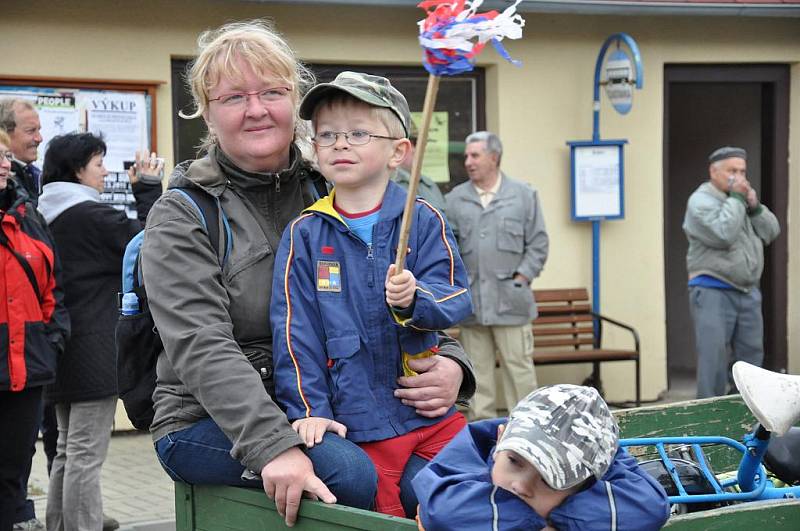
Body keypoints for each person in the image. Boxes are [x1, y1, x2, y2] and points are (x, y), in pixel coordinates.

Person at [139, 20, 476, 527]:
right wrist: (272, 445)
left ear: (293, 101)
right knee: (350, 475)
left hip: (336, 400)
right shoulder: (185, 213)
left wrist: (452, 366)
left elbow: (406, 290)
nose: (256, 109)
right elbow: (199, 344)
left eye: (271, 92)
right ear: (207, 114)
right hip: (208, 416)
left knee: (437, 479)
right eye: (234, 98)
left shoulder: (339, 184)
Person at [272, 71, 472, 517]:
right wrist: (309, 409)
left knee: (458, 508)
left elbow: (457, 296)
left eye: (358, 133)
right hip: (358, 427)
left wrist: (416, 298)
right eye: (327, 135)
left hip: (431, 419)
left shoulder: (423, 221)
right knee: (385, 521)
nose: (340, 144)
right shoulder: (304, 233)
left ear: (398, 152)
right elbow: (294, 331)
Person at [36, 134, 161, 530]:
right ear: (77, 170)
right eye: (98, 163)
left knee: (68, 451)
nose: (105, 171)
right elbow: (153, 243)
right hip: (93, 349)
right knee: (86, 454)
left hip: (60, 346)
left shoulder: (42, 213)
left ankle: (59, 524)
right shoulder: (92, 216)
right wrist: (147, 189)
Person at [413, 384, 671, 530]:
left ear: (585, 488)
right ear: (501, 437)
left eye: (549, 479)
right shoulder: (476, 447)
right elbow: (443, 512)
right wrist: (542, 523)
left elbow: (649, 507)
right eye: (515, 461)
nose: (521, 485)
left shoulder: (593, 474)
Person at [445, 131, 548, 420]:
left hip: (511, 302)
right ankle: (483, 435)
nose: (468, 161)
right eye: (466, 156)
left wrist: (522, 278)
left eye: (475, 155)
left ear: (494, 157)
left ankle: (527, 429)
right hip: (473, 306)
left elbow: (538, 244)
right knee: (478, 378)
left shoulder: (524, 196)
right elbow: (448, 249)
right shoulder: (455, 199)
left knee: (520, 373)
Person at [0, 130, 70, 531]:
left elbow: (53, 286)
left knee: (15, 468)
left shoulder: (30, 218)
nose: (4, 164)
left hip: (26, 365)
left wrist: (51, 338)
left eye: (6, 156)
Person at [683, 146, 780, 399]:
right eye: (732, 171)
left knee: (751, 361)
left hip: (748, 291)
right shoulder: (700, 201)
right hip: (712, 288)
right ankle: (709, 428)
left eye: (742, 171)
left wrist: (755, 206)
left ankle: (747, 422)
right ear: (713, 172)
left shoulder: (740, 200)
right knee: (713, 361)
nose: (738, 177)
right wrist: (737, 200)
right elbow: (723, 234)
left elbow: (771, 232)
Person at [391, 123, 446, 212]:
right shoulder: (385, 185)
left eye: (418, 144)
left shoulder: (430, 185)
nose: (415, 150)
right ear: (398, 148)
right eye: (413, 144)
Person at [0, 99, 43, 203]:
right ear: (5, 132)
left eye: (39, 130)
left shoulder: (37, 175)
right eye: (31, 131)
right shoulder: (5, 185)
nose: (39, 138)